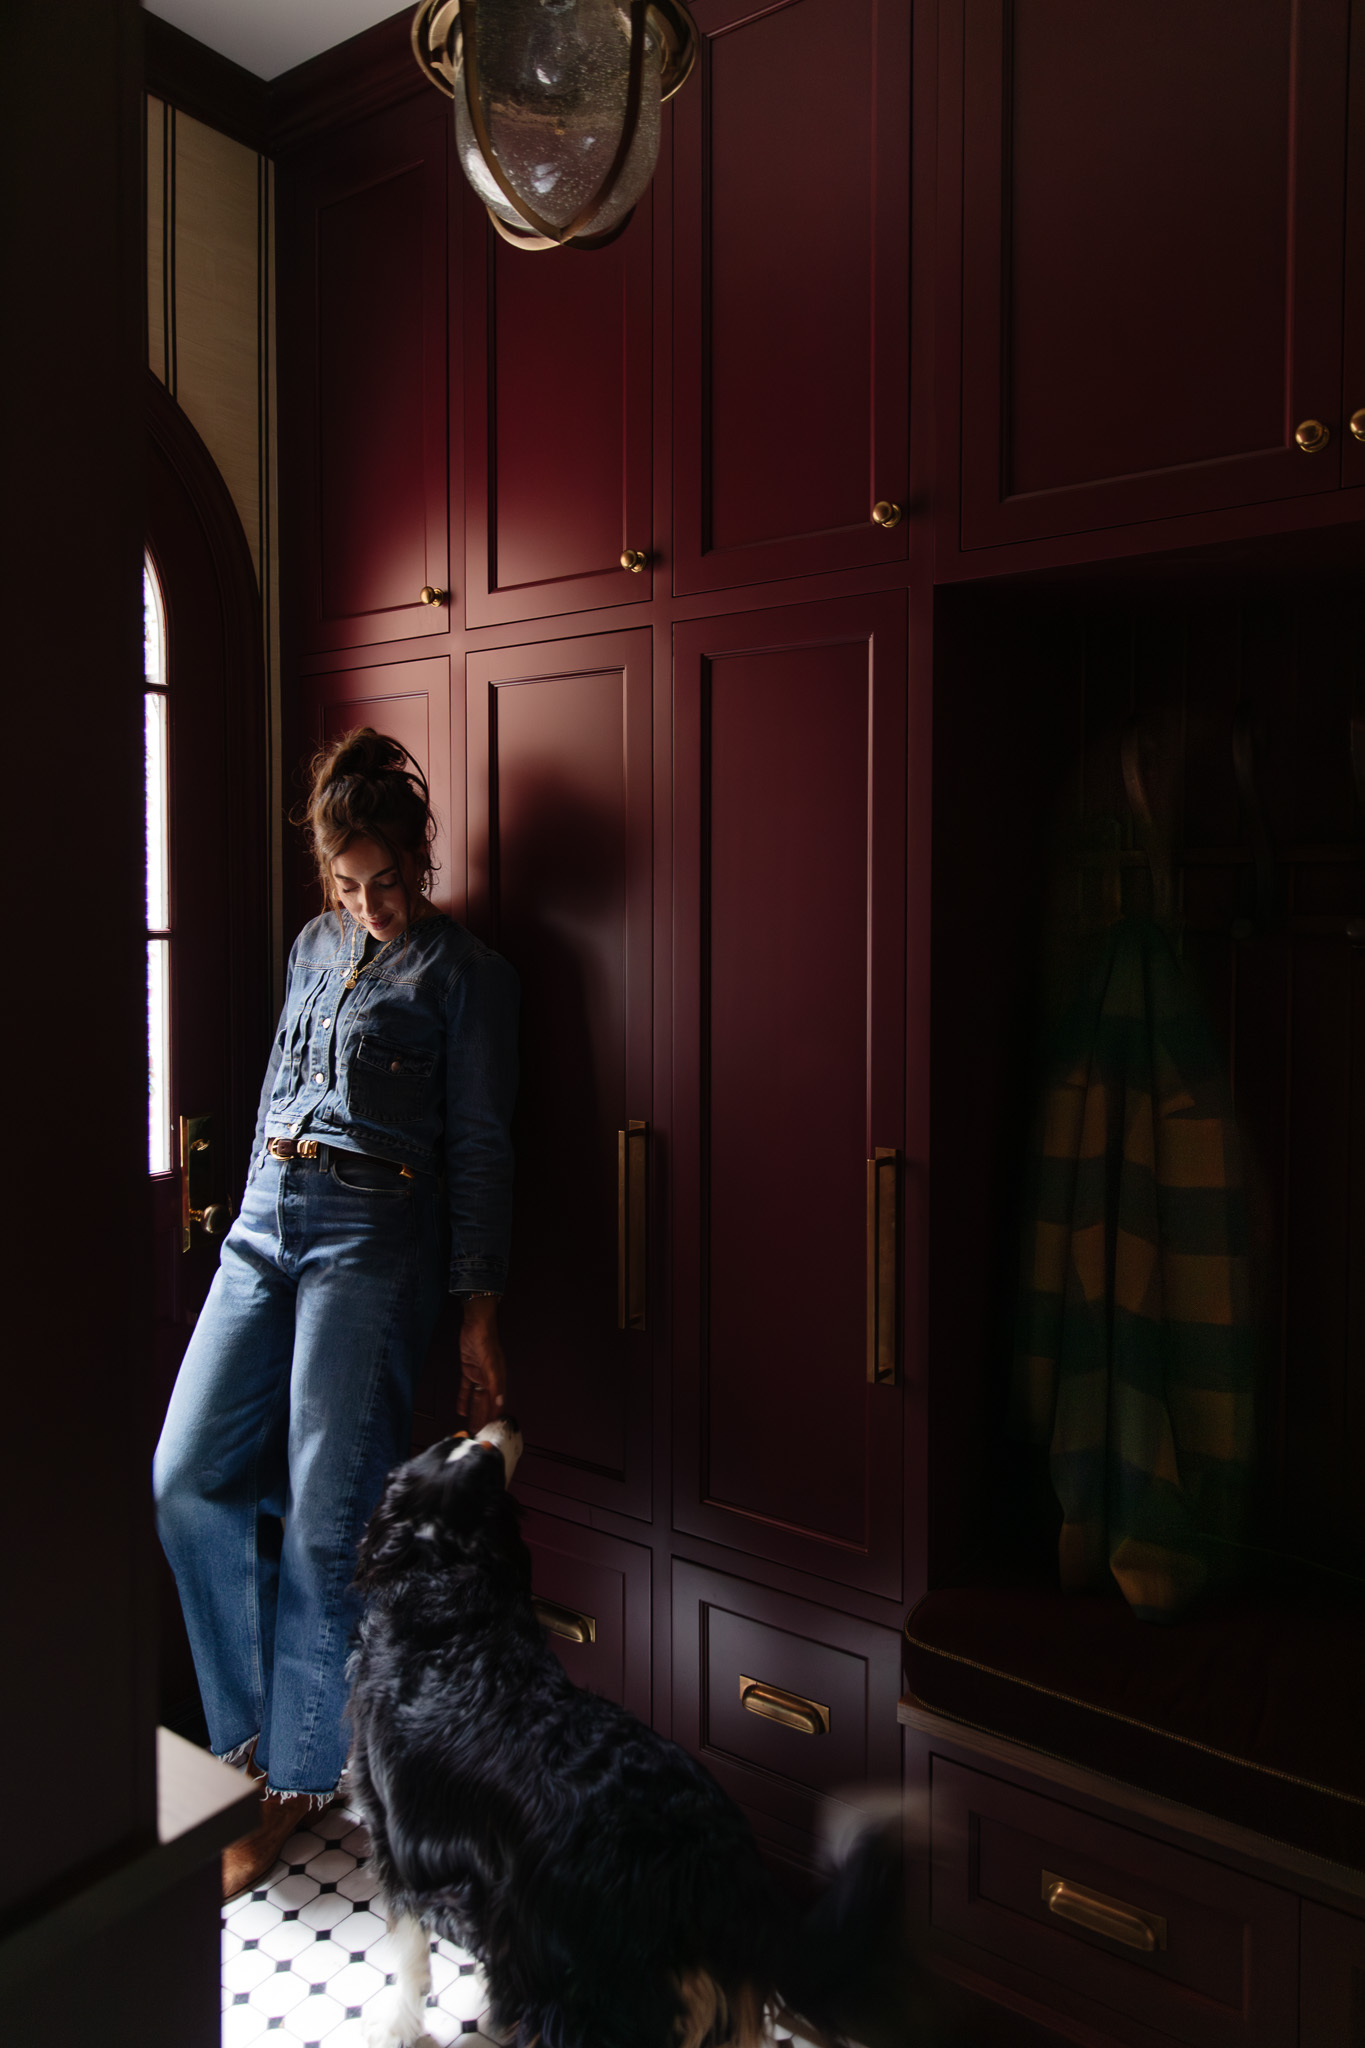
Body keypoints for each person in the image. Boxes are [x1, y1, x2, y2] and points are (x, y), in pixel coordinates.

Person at [153, 728, 518, 1898]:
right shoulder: (314, 945)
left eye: (390, 882)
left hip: (372, 1237)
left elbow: (481, 1150)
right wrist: (244, 1217)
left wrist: (476, 1314)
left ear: (421, 856)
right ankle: (247, 1744)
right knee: (184, 1476)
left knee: (326, 1521)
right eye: (349, 885)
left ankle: (290, 1781)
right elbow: (272, 1094)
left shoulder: (464, 974)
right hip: (263, 1217)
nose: (370, 905)